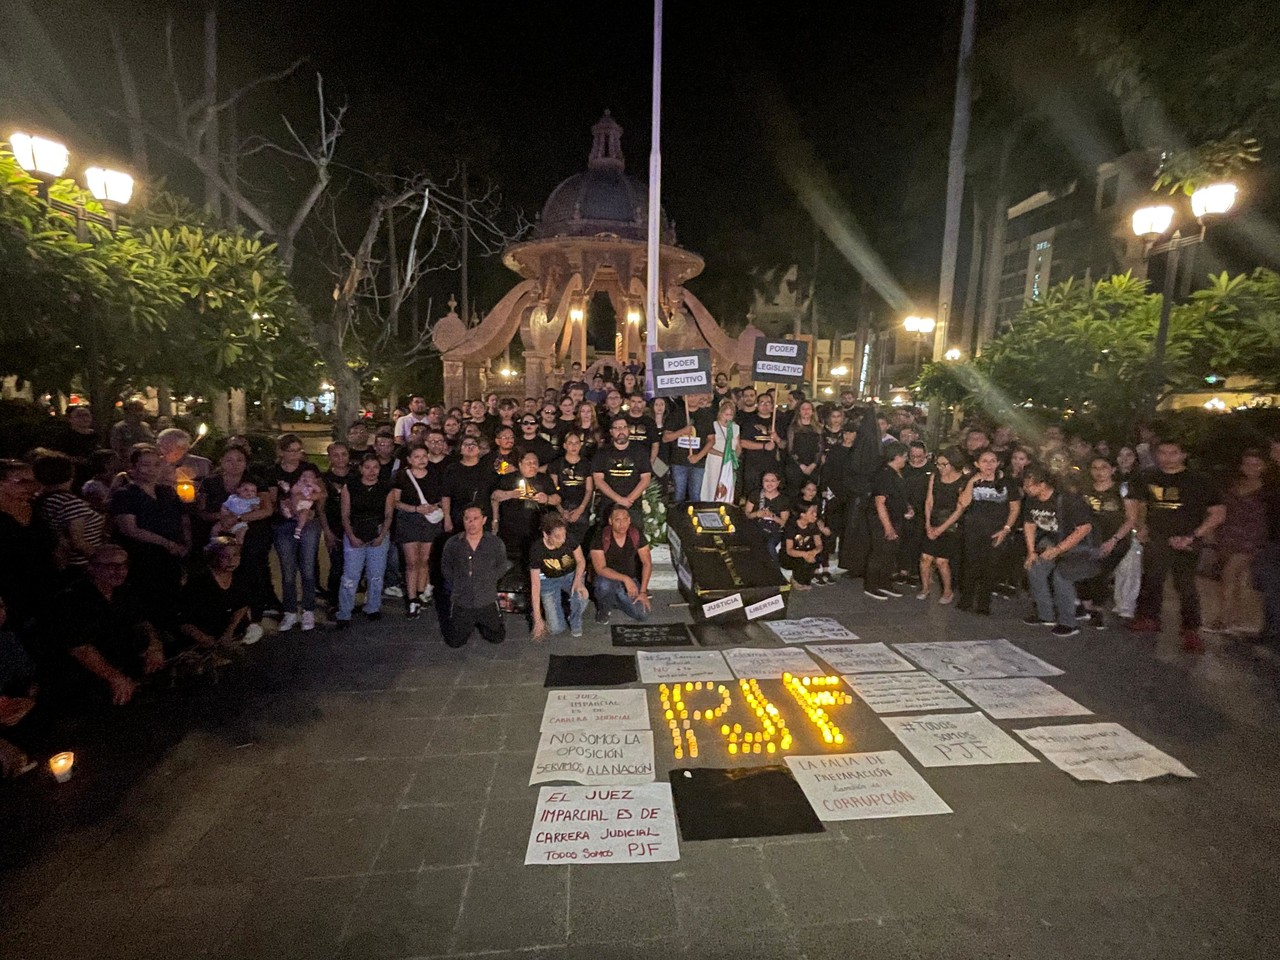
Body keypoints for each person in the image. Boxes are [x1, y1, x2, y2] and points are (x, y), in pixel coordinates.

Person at [1129, 439, 1225, 650]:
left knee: (1185, 584)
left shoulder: (1199, 480)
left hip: (1188, 538)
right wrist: (1141, 526)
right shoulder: (1148, 476)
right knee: (1152, 578)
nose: (1167, 457)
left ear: (1183, 455)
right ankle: (1149, 618)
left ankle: (1191, 629)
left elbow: (1217, 513)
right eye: (1162, 452)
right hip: (1157, 537)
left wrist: (1193, 535)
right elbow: (1139, 503)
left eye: (1173, 453)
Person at [53, 546, 165, 707]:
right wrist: (114, 677)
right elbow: (80, 647)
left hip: (123, 659)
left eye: (123, 565)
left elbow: (141, 621)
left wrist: (154, 645)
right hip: (90, 671)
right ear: (92, 568)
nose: (119, 571)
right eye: (111, 566)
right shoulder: (73, 599)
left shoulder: (124, 590)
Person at [110, 444, 190, 630]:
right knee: (146, 601)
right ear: (133, 468)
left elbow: (182, 518)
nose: (152, 469)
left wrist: (186, 543)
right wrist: (166, 543)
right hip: (143, 557)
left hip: (171, 557)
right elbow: (130, 528)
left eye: (156, 464)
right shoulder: (126, 495)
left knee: (170, 598)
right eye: (146, 465)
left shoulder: (167, 492)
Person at [197, 443, 277, 618]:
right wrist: (222, 518)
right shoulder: (210, 482)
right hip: (220, 526)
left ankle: (259, 602)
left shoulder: (255, 481)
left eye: (239, 460)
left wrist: (238, 518)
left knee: (252, 558)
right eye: (229, 460)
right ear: (221, 462)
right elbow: (202, 512)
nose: (235, 464)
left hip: (250, 527)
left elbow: (266, 510)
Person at [1022, 465, 1096, 638]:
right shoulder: (1032, 499)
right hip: (1051, 540)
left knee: (1061, 577)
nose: (1025, 488)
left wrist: (1058, 550)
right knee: (1035, 568)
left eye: (1029, 485)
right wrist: (1031, 551)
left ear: (1043, 484)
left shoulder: (1067, 499)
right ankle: (1045, 614)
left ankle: (1068, 622)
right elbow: (1029, 523)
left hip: (1075, 543)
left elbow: (1084, 528)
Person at [1202, 449, 1269, 636]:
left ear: (1264, 466)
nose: (1251, 468)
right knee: (1235, 579)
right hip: (1228, 536)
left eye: (1256, 464)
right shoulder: (1235, 485)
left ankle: (1223, 618)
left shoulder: (1267, 490)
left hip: (1251, 539)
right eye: (1248, 463)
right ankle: (1235, 618)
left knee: (1229, 573)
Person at [267, 434, 322, 631]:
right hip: (283, 523)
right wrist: (285, 504)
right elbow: (273, 498)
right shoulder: (273, 471)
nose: (296, 454)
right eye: (291, 450)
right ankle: (290, 611)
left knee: (307, 568)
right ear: (281, 451)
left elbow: (321, 492)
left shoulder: (309, 469)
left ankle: (308, 609)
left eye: (299, 450)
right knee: (288, 570)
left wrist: (312, 505)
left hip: (308, 522)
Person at [1077, 456, 1139, 630]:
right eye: (1095, 468)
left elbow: (1131, 518)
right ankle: (1085, 606)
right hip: (1088, 537)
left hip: (1115, 538)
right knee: (1080, 569)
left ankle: (1098, 609)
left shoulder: (1123, 489)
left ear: (1112, 469)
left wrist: (1114, 539)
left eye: (1104, 467)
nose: (1099, 472)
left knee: (1100, 572)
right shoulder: (1086, 489)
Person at [956, 450, 1020, 615]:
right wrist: (972, 482)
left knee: (990, 567)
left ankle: (984, 603)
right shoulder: (971, 479)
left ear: (998, 463)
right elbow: (963, 503)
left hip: (997, 530)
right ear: (977, 463)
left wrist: (1006, 529)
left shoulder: (1007, 482)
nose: (989, 465)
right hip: (973, 530)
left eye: (992, 461)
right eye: (984, 461)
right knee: (971, 566)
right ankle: (966, 599)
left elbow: (1014, 508)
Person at [336, 452, 396, 627]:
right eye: (368, 467)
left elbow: (388, 515)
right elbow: (345, 515)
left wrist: (382, 535)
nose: (372, 471)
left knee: (376, 575)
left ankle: (373, 607)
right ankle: (344, 612)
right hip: (355, 533)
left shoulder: (386, 488)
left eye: (375, 467)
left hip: (378, 534)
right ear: (361, 469)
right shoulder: (351, 487)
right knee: (350, 576)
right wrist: (351, 536)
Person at [439, 506, 510, 647]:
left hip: (486, 598)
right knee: (454, 642)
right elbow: (445, 567)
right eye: (467, 519)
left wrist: (489, 580)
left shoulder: (494, 543)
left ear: (483, 520)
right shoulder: (453, 543)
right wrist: (459, 582)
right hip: (462, 599)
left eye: (475, 519)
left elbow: (502, 565)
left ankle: (484, 625)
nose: (471, 523)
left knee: (497, 637)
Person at [392, 443, 446, 617]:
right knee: (411, 562)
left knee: (424, 560)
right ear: (409, 459)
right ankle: (412, 598)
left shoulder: (435, 475)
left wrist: (432, 506)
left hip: (429, 521)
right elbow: (395, 501)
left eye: (424, 456)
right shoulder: (401, 476)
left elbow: (440, 498)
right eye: (417, 456)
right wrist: (415, 509)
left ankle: (422, 593)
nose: (422, 460)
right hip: (409, 520)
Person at [178, 537, 258, 651]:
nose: (232, 560)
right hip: (204, 631)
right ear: (214, 557)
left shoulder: (240, 575)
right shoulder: (200, 581)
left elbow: (243, 604)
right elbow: (184, 619)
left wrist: (229, 632)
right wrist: (202, 637)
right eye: (225, 556)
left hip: (228, 628)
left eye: (235, 555)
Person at [33, 449, 106, 574]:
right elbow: (78, 541)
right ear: (71, 474)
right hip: (82, 565)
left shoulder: (44, 499)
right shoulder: (70, 502)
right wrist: (103, 561)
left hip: (62, 564)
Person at [529, 513, 589, 640]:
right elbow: (535, 585)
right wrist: (537, 618)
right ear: (546, 534)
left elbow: (581, 561)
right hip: (548, 580)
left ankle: (574, 619)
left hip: (570, 575)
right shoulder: (536, 550)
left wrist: (578, 581)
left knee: (582, 596)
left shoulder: (569, 539)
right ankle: (557, 611)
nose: (562, 540)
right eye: (557, 537)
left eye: (564, 535)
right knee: (556, 629)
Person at [590, 504, 652, 623]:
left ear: (629, 520)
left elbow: (647, 563)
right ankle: (605, 607)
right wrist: (625, 579)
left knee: (643, 615)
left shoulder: (635, 534)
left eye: (625, 519)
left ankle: (615, 601)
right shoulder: (600, 537)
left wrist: (643, 591)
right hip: (608, 579)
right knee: (604, 586)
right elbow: (600, 568)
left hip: (630, 581)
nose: (622, 524)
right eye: (617, 520)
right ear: (610, 521)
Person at [865, 443, 911, 600]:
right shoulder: (884, 475)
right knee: (880, 551)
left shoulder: (897, 473)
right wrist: (888, 527)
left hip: (896, 517)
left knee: (890, 552)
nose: (906, 459)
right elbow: (880, 502)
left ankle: (884, 582)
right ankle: (871, 585)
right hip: (882, 520)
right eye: (904, 456)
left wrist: (907, 507)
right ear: (897, 456)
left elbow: (899, 495)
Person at [492, 450, 556, 563]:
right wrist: (510, 494)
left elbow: (557, 498)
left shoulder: (544, 479)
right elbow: (495, 496)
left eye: (535, 462)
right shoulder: (509, 478)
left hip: (536, 529)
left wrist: (547, 499)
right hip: (511, 530)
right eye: (528, 462)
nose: (532, 465)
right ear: (520, 464)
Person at [920, 447, 966, 604]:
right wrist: (927, 523)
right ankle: (925, 588)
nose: (940, 467)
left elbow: (960, 509)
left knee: (941, 561)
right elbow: (929, 500)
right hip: (934, 519)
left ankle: (947, 590)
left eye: (943, 464)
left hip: (950, 524)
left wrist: (941, 528)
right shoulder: (935, 477)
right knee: (925, 558)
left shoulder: (962, 481)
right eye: (938, 464)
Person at [592, 416, 652, 528]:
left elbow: (646, 478)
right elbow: (598, 480)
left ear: (628, 430)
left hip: (632, 505)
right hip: (609, 504)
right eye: (617, 428)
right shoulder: (602, 453)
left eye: (624, 427)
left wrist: (629, 500)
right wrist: (619, 500)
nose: (621, 431)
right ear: (611, 431)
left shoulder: (640, 451)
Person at [663, 394, 714, 503]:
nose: (693, 398)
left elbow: (711, 440)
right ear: (684, 397)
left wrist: (698, 457)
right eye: (689, 396)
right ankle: (677, 519)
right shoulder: (676, 414)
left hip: (698, 463)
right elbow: (666, 438)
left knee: (695, 495)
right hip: (678, 462)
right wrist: (682, 431)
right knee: (679, 495)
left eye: (695, 395)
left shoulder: (706, 415)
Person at [442, 436, 493, 533]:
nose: (470, 447)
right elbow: (446, 495)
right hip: (458, 516)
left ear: (479, 449)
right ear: (460, 449)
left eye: (473, 444)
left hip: (483, 516)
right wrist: (447, 518)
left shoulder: (487, 469)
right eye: (466, 445)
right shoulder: (452, 469)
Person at [899, 441, 932, 587]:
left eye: (919, 456)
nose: (916, 459)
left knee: (918, 541)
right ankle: (902, 570)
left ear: (925, 454)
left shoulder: (931, 469)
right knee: (903, 541)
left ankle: (915, 571)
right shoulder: (904, 469)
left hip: (923, 511)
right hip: (905, 509)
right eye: (913, 456)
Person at [738, 392, 782, 499]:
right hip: (753, 466)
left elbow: (784, 445)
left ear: (772, 405)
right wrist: (763, 446)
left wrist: (777, 439)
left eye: (768, 403)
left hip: (772, 466)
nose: (765, 405)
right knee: (752, 496)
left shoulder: (778, 421)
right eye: (762, 402)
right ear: (757, 405)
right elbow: (743, 442)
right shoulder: (749, 421)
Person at [700, 399, 741, 503]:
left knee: (726, 486)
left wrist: (734, 457)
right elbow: (707, 446)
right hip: (714, 460)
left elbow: (738, 446)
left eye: (730, 415)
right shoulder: (713, 426)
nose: (728, 417)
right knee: (713, 484)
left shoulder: (735, 428)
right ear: (720, 413)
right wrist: (722, 455)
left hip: (729, 462)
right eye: (726, 414)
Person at [745, 470, 789, 559]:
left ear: (778, 483)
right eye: (766, 480)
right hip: (757, 528)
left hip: (774, 531)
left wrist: (772, 516)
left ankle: (775, 569)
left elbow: (784, 523)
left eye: (773, 480)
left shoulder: (783, 499)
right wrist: (757, 514)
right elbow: (747, 514)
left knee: (770, 546)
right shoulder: (755, 494)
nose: (769, 483)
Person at [780, 501, 823, 590]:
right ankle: (796, 579)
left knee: (818, 556)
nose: (815, 514)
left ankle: (805, 578)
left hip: (807, 552)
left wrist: (814, 552)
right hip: (789, 556)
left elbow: (819, 544)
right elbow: (789, 550)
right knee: (801, 559)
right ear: (802, 514)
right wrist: (805, 554)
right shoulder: (791, 526)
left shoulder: (813, 525)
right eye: (812, 512)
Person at [785, 400, 822, 495]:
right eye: (803, 409)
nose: (806, 411)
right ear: (799, 411)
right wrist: (801, 465)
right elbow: (790, 448)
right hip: (796, 466)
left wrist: (814, 464)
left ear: (813, 411)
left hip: (813, 466)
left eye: (808, 409)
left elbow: (820, 447)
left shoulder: (818, 428)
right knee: (794, 493)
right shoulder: (793, 428)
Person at [280, 464, 324, 541]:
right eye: (304, 475)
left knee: (304, 513)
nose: (307, 478)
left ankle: (298, 529)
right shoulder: (298, 485)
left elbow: (319, 491)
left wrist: (312, 485)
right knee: (286, 505)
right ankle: (292, 514)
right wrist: (300, 486)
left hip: (305, 505)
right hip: (296, 503)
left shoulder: (312, 486)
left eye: (310, 476)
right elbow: (293, 492)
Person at [108, 399, 154, 468]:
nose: (140, 413)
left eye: (141, 409)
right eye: (136, 410)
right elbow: (116, 449)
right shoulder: (119, 428)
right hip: (129, 465)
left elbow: (153, 443)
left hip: (148, 464)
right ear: (128, 412)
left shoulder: (146, 426)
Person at [625, 393, 660, 465]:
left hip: (643, 460)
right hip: (624, 458)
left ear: (644, 403)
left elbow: (655, 443)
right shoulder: (622, 420)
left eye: (639, 402)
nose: (636, 405)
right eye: (633, 401)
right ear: (628, 402)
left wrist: (652, 461)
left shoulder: (649, 422)